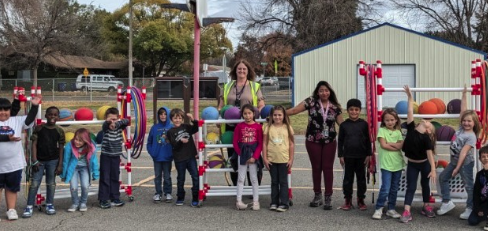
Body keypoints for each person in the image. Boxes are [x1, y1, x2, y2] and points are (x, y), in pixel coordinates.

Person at [286, 81, 343, 210]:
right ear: (317, 92)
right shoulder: (311, 102)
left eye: (326, 90)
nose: (324, 92)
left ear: (330, 92)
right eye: (321, 90)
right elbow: (295, 110)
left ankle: (328, 196)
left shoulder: (334, 107)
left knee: (328, 168)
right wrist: (278, 113)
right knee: (316, 167)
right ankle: (317, 195)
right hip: (313, 140)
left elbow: (342, 125)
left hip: (330, 141)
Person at [217, 59, 265, 186]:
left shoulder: (254, 86)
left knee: (251, 156)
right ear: (235, 71)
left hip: (249, 126)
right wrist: (218, 117)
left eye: (244, 69)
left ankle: (253, 186)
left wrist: (256, 118)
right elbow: (221, 106)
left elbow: (261, 106)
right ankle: (238, 187)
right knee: (234, 156)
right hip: (231, 127)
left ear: (248, 71)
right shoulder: (227, 86)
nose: (242, 71)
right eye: (239, 69)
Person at [437, 85, 479, 219]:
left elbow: (463, 153)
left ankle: (470, 208)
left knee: (468, 186)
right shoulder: (461, 128)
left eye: (469, 121)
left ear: (474, 123)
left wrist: (457, 168)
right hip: (455, 161)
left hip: (465, 163)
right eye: (465, 121)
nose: (466, 123)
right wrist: (464, 94)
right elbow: (463, 111)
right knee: (443, 177)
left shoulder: (471, 136)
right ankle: (447, 202)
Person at [400, 85, 437, 223]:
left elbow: (430, 155)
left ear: (428, 131)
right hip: (412, 165)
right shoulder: (411, 129)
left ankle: (426, 206)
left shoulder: (427, 139)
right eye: (425, 121)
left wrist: (433, 170)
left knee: (425, 184)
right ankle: (407, 210)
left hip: (424, 164)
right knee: (411, 186)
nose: (425, 121)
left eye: (428, 122)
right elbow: (410, 111)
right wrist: (409, 97)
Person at [0, 96, 40, 221]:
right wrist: (7, 138)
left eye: (6, 110)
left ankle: (11, 210)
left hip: (14, 163)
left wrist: (34, 106)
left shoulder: (16, 120)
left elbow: (29, 120)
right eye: (0, 110)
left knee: (12, 188)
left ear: (10, 110)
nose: (3, 112)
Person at [22, 106, 65, 218]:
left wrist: (60, 164)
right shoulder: (39, 128)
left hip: (53, 161)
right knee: (35, 183)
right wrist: (34, 160)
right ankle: (29, 206)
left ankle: (50, 204)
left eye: (55, 115)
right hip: (39, 161)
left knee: (51, 183)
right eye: (50, 114)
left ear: (58, 117)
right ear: (46, 116)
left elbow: (61, 148)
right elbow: (34, 144)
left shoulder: (59, 131)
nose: (52, 116)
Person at [337, 99, 371, 211]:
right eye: (351, 109)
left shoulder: (364, 124)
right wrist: (340, 155)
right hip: (348, 157)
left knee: (361, 180)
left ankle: (361, 200)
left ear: (360, 110)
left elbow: (368, 141)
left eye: (356, 109)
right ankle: (348, 200)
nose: (354, 112)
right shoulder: (344, 125)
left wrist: (369, 154)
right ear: (347, 111)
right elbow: (340, 141)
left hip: (361, 157)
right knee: (348, 179)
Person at [372, 108, 404, 220]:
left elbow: (400, 146)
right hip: (386, 165)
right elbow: (383, 145)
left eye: (392, 120)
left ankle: (391, 208)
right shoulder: (382, 131)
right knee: (385, 188)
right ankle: (379, 208)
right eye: (387, 120)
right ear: (383, 121)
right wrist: (394, 144)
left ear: (396, 120)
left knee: (394, 188)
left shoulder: (398, 132)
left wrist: (390, 143)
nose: (390, 122)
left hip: (397, 164)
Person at [263, 105, 294, 212]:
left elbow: (291, 144)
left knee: (283, 182)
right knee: (274, 182)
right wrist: (265, 158)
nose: (277, 117)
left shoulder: (287, 127)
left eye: (280, 115)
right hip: (272, 159)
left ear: (284, 115)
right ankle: (274, 202)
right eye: (275, 115)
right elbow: (264, 143)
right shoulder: (268, 127)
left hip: (284, 159)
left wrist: (291, 159)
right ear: (271, 116)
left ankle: (284, 203)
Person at [61, 128, 99, 212]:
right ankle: (75, 203)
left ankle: (83, 203)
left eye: (80, 141)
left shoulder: (91, 147)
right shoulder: (69, 146)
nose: (77, 142)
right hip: (73, 168)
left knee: (85, 186)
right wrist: (64, 174)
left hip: (85, 168)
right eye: (76, 139)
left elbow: (94, 161)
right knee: (73, 187)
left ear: (85, 141)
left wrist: (95, 173)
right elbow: (66, 160)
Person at [98, 107, 129, 209]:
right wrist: (109, 123)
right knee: (105, 177)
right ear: (106, 119)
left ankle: (115, 197)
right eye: (110, 119)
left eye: (114, 119)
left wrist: (117, 123)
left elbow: (127, 121)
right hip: (106, 156)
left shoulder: (119, 127)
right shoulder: (105, 127)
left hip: (116, 156)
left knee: (115, 177)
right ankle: (103, 199)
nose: (112, 121)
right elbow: (105, 126)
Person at [233, 104, 263, 210]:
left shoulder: (258, 127)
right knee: (241, 178)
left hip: (253, 155)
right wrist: (241, 155)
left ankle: (256, 201)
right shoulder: (239, 126)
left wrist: (255, 157)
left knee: (254, 178)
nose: (247, 116)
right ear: (242, 115)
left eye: (249, 113)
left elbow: (260, 144)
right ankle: (239, 200)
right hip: (242, 155)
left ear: (254, 114)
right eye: (245, 113)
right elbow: (235, 142)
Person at [167, 109, 199, 207]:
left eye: (180, 118)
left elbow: (196, 128)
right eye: (175, 118)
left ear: (182, 119)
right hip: (179, 159)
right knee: (181, 179)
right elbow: (174, 145)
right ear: (172, 119)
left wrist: (193, 119)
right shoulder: (170, 132)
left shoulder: (186, 127)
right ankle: (180, 197)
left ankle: (195, 197)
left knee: (195, 176)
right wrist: (180, 141)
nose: (177, 120)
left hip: (190, 157)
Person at [147, 107, 173, 203]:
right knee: (157, 176)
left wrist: (172, 153)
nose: (163, 116)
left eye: (165, 114)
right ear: (158, 115)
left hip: (167, 157)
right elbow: (149, 142)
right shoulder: (154, 128)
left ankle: (168, 193)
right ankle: (158, 193)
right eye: (161, 114)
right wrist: (152, 152)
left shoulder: (171, 127)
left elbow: (174, 142)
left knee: (167, 176)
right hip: (157, 157)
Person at [468, 145, 488, 229]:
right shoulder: (479, 174)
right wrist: (477, 209)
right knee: (472, 221)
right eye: (483, 157)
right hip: (484, 203)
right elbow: (476, 193)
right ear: (480, 159)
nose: (486, 158)